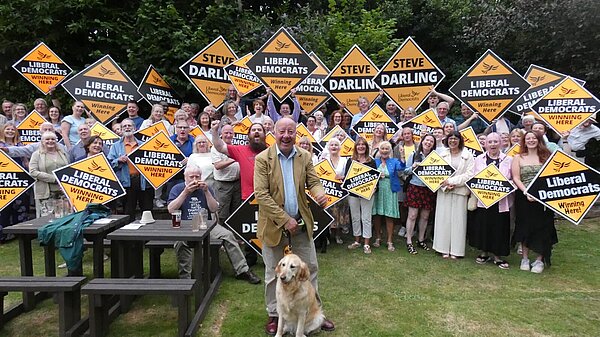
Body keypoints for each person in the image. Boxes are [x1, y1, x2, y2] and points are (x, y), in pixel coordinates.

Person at [253, 117, 334, 335]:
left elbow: (313, 181)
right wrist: (284, 219)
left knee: (311, 269)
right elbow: (261, 195)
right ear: (275, 133)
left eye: (291, 131)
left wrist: (319, 193)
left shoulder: (305, 156)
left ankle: (314, 312)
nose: (287, 135)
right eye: (282, 131)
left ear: (295, 134)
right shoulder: (263, 159)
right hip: (272, 224)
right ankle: (274, 314)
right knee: (273, 272)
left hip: (300, 223)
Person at [167, 164, 261, 284]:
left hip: (205, 225)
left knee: (228, 235)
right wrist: (186, 192)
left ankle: (242, 271)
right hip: (184, 225)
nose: (195, 180)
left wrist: (206, 192)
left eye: (198, 176)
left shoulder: (207, 188)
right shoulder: (177, 188)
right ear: (185, 177)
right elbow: (171, 209)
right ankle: (185, 278)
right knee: (180, 242)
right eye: (191, 177)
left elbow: (214, 208)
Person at [511, 131, 557, 273]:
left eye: (533, 138)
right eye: (528, 138)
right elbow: (516, 177)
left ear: (539, 140)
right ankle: (524, 258)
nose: (531, 140)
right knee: (525, 227)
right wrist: (526, 192)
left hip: (544, 199)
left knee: (544, 228)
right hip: (524, 198)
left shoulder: (547, 156)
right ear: (524, 141)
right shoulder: (518, 157)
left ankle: (539, 260)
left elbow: (553, 175)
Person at [470, 133, 513, 269]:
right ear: (485, 144)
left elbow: (513, 179)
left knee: (499, 228)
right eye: (490, 142)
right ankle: (484, 252)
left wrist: (506, 187)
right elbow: (473, 177)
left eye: (496, 141)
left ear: (501, 143)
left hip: (501, 201)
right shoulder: (478, 159)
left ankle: (498, 256)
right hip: (483, 199)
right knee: (484, 226)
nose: (493, 144)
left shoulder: (509, 160)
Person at [432, 132, 474, 259]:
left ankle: (456, 251)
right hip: (444, 190)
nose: (453, 141)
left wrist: (451, 182)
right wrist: (445, 185)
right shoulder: (442, 154)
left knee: (458, 221)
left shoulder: (468, 155)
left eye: (456, 139)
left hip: (460, 191)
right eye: (450, 139)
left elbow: (469, 174)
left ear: (460, 140)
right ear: (447, 140)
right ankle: (442, 248)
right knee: (443, 219)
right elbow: (436, 172)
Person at [108, 118, 153, 221]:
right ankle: (128, 235)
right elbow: (109, 164)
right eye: (124, 126)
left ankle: (147, 235)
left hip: (144, 182)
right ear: (121, 129)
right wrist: (118, 160)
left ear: (135, 128)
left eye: (129, 126)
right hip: (126, 182)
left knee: (147, 211)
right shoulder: (115, 146)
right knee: (128, 212)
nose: (127, 128)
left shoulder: (144, 145)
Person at [404, 134, 437, 254]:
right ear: (422, 141)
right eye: (427, 140)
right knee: (412, 215)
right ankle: (409, 241)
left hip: (428, 189)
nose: (428, 143)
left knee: (425, 216)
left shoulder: (436, 157)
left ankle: (421, 240)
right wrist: (413, 167)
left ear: (433, 144)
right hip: (415, 187)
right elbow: (405, 171)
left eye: (431, 141)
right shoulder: (413, 155)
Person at [343, 138, 376, 253]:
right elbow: (347, 178)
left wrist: (374, 188)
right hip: (353, 194)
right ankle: (357, 241)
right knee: (355, 217)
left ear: (366, 147)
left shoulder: (371, 161)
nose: (361, 147)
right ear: (355, 147)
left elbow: (375, 179)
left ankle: (366, 244)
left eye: (363, 145)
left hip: (367, 194)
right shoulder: (350, 161)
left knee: (366, 218)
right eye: (359, 145)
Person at [372, 141, 405, 252]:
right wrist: (376, 175)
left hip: (390, 191)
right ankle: (378, 238)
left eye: (387, 149)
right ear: (379, 150)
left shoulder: (394, 161)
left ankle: (390, 240)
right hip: (377, 191)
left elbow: (402, 168)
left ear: (390, 150)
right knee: (376, 215)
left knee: (389, 216)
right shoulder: (374, 161)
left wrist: (402, 155)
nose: (384, 151)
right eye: (382, 149)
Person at [29, 131, 69, 218]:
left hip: (63, 193)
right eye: (47, 139)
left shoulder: (63, 153)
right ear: (42, 141)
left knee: (64, 218)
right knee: (47, 219)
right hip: (46, 193)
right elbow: (32, 171)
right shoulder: (37, 155)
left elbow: (69, 168)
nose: (50, 141)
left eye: (53, 139)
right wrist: (53, 179)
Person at [0, 122, 29, 242]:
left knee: (21, 205)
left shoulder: (20, 145)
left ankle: (20, 233)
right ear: (3, 131)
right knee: (4, 208)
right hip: (4, 180)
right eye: (8, 129)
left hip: (20, 178)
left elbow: (26, 161)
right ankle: (3, 234)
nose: (10, 131)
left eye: (12, 129)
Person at [211, 124, 241, 226]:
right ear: (221, 134)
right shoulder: (216, 147)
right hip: (223, 185)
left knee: (236, 211)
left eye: (230, 133)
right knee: (222, 213)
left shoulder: (237, 145)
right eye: (226, 133)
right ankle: (222, 239)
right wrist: (233, 159)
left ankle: (235, 237)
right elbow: (218, 165)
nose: (228, 135)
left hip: (237, 183)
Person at [323, 138, 349, 244]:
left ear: (339, 148)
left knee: (339, 213)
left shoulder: (345, 160)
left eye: (336, 145)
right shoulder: (324, 160)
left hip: (340, 191)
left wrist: (342, 177)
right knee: (328, 213)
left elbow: (348, 175)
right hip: (328, 191)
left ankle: (338, 235)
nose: (334, 147)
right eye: (332, 145)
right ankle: (328, 235)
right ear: (328, 147)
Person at [1, 122, 66, 158]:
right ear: (40, 132)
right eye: (45, 129)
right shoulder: (35, 146)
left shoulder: (62, 147)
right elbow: (22, 150)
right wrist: (7, 149)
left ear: (54, 132)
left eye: (50, 129)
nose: (47, 131)